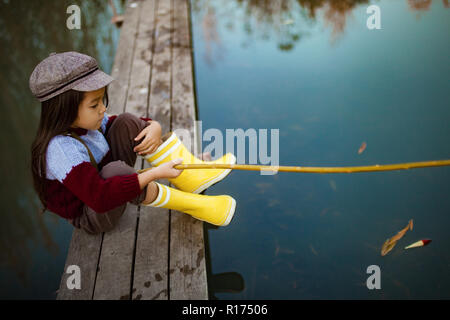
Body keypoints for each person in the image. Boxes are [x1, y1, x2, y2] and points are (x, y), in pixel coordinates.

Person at [29, 51, 236, 235]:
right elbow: (99, 197)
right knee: (116, 171)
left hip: (106, 182)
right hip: (93, 212)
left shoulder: (87, 123)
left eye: (102, 100)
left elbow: (123, 124)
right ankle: (195, 205)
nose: (102, 108)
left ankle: (191, 179)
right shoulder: (61, 150)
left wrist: (154, 126)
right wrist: (154, 174)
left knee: (125, 122)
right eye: (94, 105)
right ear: (64, 110)